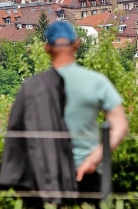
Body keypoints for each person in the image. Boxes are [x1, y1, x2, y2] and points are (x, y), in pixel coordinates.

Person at [43, 22, 128, 198]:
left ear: (46, 48)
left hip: (48, 173)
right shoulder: (96, 81)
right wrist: (93, 159)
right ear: (77, 44)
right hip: (89, 170)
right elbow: (120, 127)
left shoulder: (35, 87)